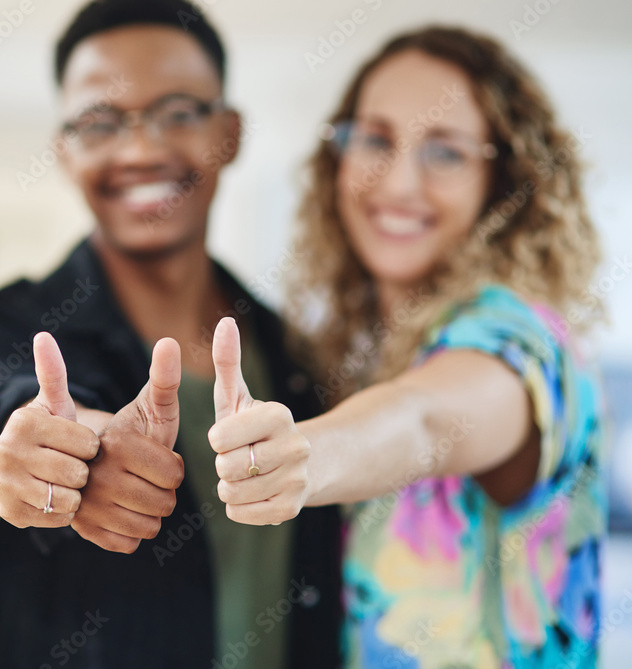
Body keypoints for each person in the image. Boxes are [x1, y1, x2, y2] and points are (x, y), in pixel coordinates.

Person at [0, 1, 342, 667]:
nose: (141, 149)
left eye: (177, 113)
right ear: (65, 150)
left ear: (228, 133)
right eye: (100, 122)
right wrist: (74, 448)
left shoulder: (297, 358)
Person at [207, 26, 606, 668]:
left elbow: (426, 419)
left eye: (445, 152)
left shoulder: (520, 339)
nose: (398, 182)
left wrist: (306, 454)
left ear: (503, 178)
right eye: (375, 139)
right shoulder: (369, 352)